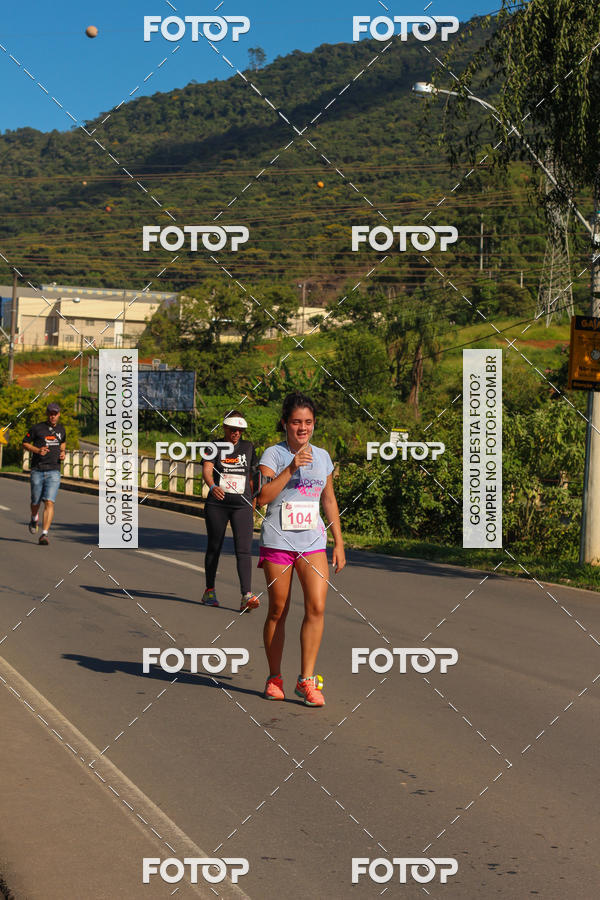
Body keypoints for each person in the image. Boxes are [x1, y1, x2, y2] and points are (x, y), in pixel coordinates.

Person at [257, 392, 346, 707]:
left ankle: (306, 680)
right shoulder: (273, 455)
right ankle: (274, 677)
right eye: (296, 422)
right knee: (278, 610)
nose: (302, 428)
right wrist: (292, 467)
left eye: (308, 422)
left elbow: (329, 500)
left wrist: (339, 541)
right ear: (285, 423)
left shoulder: (322, 457)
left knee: (317, 608)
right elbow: (262, 497)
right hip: (278, 541)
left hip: (312, 542)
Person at [201, 412, 260, 612]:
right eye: (232, 429)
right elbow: (207, 470)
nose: (236, 433)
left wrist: (254, 500)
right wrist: (211, 486)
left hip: (242, 505)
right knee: (214, 547)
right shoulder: (213, 446)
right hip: (217, 504)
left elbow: (252, 476)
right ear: (224, 428)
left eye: (240, 430)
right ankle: (209, 590)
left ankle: (246, 595)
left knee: (244, 549)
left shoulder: (249, 447)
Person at [22, 402, 66, 545]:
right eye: (51, 414)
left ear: (59, 414)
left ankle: (44, 534)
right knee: (35, 501)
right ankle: (34, 517)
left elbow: (63, 442)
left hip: (54, 470)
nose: (53, 416)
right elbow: (25, 443)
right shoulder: (37, 428)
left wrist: (63, 452)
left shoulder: (61, 429)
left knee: (49, 501)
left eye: (55, 414)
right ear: (47, 414)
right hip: (38, 469)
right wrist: (37, 450)